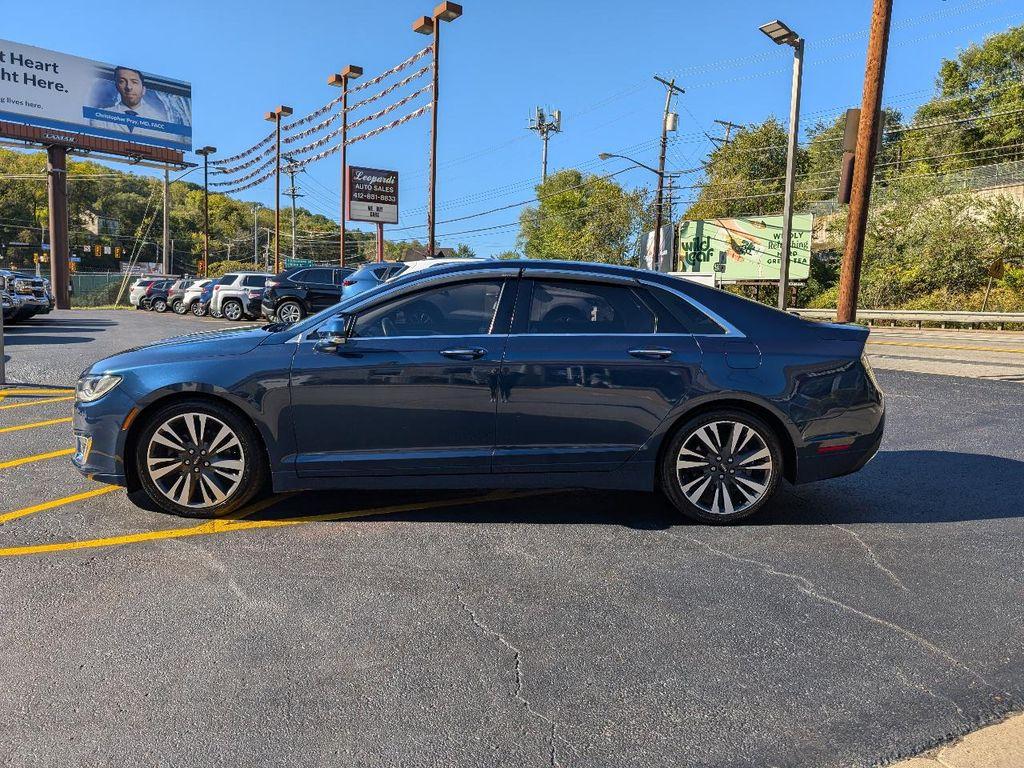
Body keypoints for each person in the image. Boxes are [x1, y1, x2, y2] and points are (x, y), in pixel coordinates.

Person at [91, 66, 168, 138]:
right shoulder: (100, 117)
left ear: (143, 90)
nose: (128, 87)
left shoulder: (160, 122)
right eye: (122, 81)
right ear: (116, 87)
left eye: (134, 82)